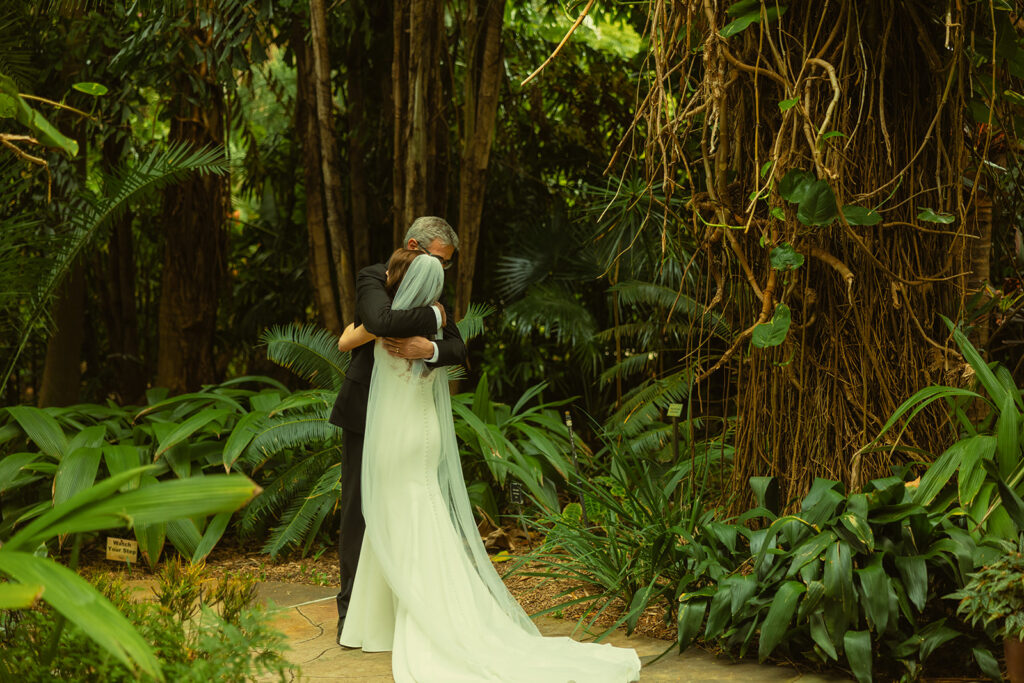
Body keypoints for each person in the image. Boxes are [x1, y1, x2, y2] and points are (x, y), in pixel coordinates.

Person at [337, 252, 642, 682]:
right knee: (418, 516)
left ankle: (404, 617)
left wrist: (427, 337)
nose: (384, 276)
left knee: (399, 517)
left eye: (391, 274)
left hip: (398, 438)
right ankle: (383, 618)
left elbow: (362, 337)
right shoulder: (433, 319)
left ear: (401, 280)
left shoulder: (393, 329)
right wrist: (434, 316)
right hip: (424, 434)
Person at [328, 217, 467, 643]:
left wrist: (432, 346)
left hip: (408, 413)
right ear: (413, 245)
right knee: (358, 511)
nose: (441, 272)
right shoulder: (376, 275)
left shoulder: (434, 290)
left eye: (446, 265)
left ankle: (411, 608)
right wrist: (431, 315)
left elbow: (460, 347)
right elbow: (380, 319)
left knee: (412, 506)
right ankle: (352, 612)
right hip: (365, 410)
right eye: (438, 260)